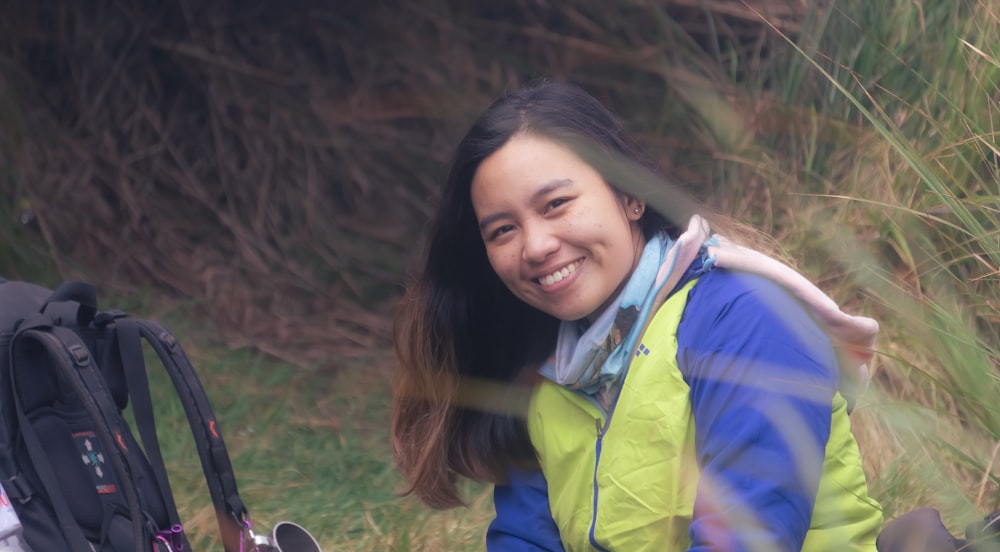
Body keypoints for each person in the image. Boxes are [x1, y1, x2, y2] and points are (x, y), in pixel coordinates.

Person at [390, 80, 885, 551]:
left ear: (630, 196)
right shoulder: (545, 369)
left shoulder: (747, 317)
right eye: (502, 231)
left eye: (556, 203)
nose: (535, 246)